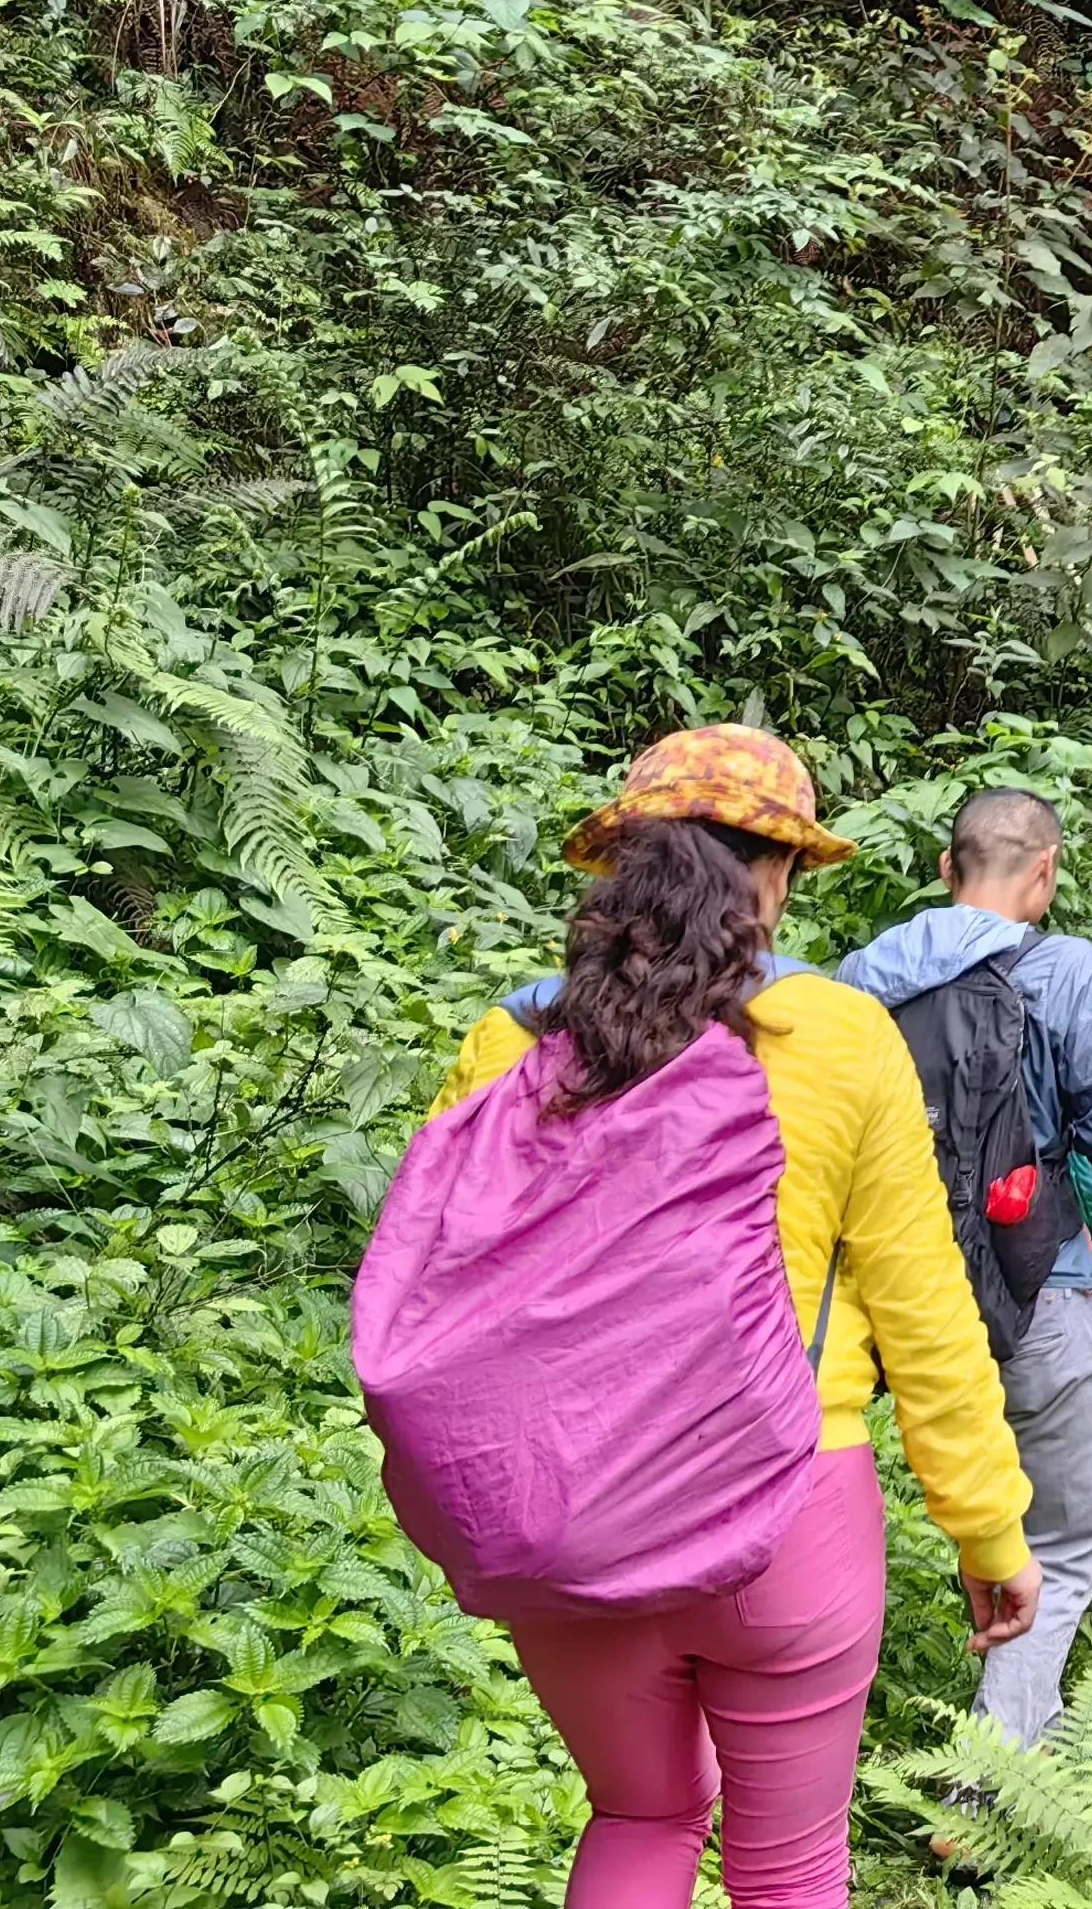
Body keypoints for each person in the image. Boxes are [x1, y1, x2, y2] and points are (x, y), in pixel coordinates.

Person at [415, 726, 1036, 1909]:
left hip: (569, 1513)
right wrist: (988, 1528)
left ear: (621, 868)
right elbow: (924, 1313)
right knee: (790, 1865)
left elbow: (435, 1294)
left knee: (640, 1814)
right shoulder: (843, 1038)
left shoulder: (516, 1040)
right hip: (787, 1510)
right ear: (780, 874)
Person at [829, 786, 1092, 1751]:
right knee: (1059, 1535)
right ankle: (991, 1774)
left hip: (895, 1292)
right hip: (1039, 1274)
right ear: (1045, 872)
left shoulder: (864, 974)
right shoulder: (1061, 969)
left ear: (945, 870)